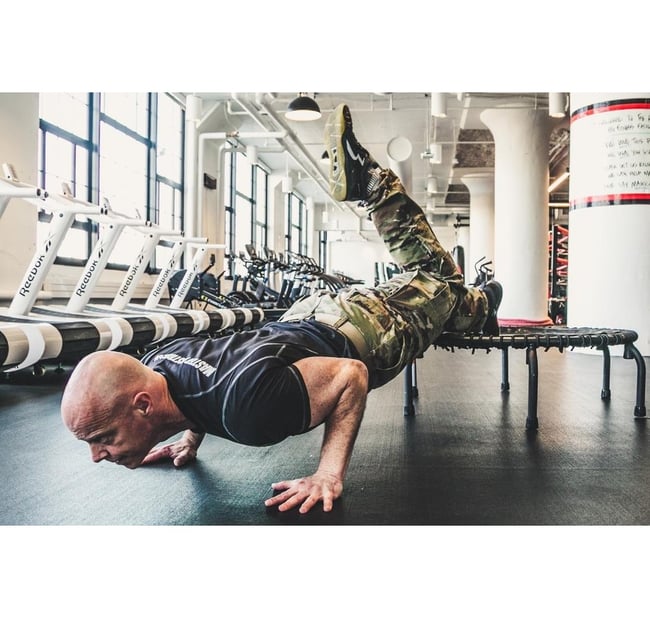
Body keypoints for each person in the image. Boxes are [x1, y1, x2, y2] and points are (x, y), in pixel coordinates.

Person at [61, 103, 502, 515]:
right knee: (447, 296)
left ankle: (374, 188)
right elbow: (194, 385)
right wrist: (189, 440)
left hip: (362, 330)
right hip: (309, 316)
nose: (97, 456)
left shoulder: (247, 410)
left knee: (441, 282)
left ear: (142, 405)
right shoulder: (159, 361)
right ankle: (483, 302)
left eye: (102, 437)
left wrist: (328, 475)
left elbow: (351, 375)